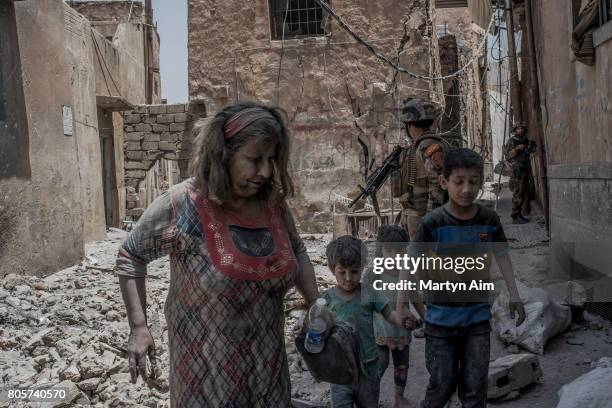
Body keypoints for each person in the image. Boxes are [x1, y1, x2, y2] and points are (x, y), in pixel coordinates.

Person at [115, 102, 319, 406]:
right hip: (205, 384)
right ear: (224, 154)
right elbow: (131, 256)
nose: (264, 171)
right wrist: (139, 328)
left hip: (270, 380)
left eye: (271, 159)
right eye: (254, 159)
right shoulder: (183, 204)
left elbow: (298, 250)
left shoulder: (273, 206)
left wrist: (316, 303)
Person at [397, 148, 526, 408]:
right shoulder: (432, 223)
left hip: (477, 320)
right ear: (444, 182)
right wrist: (400, 305)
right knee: (441, 386)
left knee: (475, 388)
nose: (467, 189)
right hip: (439, 323)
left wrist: (514, 295)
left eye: (473, 181)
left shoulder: (488, 219)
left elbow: (502, 256)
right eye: (459, 181)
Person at [322, 235, 414, 408]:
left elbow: (390, 315)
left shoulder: (370, 293)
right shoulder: (326, 299)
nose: (348, 278)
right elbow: (316, 327)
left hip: (369, 370)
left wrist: (402, 319)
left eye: (355, 271)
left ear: (363, 268)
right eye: (342, 272)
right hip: (341, 370)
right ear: (332, 268)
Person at [363, 225, 425, 408]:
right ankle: (368, 399)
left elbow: (415, 299)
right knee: (378, 367)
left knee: (402, 367)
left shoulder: (407, 274)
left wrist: (426, 318)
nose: (394, 256)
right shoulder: (374, 273)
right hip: (378, 332)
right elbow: (365, 303)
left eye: (399, 252)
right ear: (381, 249)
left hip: (401, 331)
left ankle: (399, 398)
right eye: (389, 251)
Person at [391, 97, 448, 240]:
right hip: (414, 216)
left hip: (423, 218)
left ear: (410, 125)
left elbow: (437, 186)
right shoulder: (418, 146)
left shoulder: (428, 146)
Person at [503, 122, 533, 224]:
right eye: (518, 128)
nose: (520, 130)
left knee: (522, 192)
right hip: (517, 170)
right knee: (518, 193)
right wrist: (516, 149)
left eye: (522, 128)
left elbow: (530, 151)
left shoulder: (525, 140)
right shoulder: (512, 141)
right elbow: (507, 156)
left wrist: (531, 148)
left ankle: (519, 215)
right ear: (515, 130)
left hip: (524, 168)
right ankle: (515, 216)